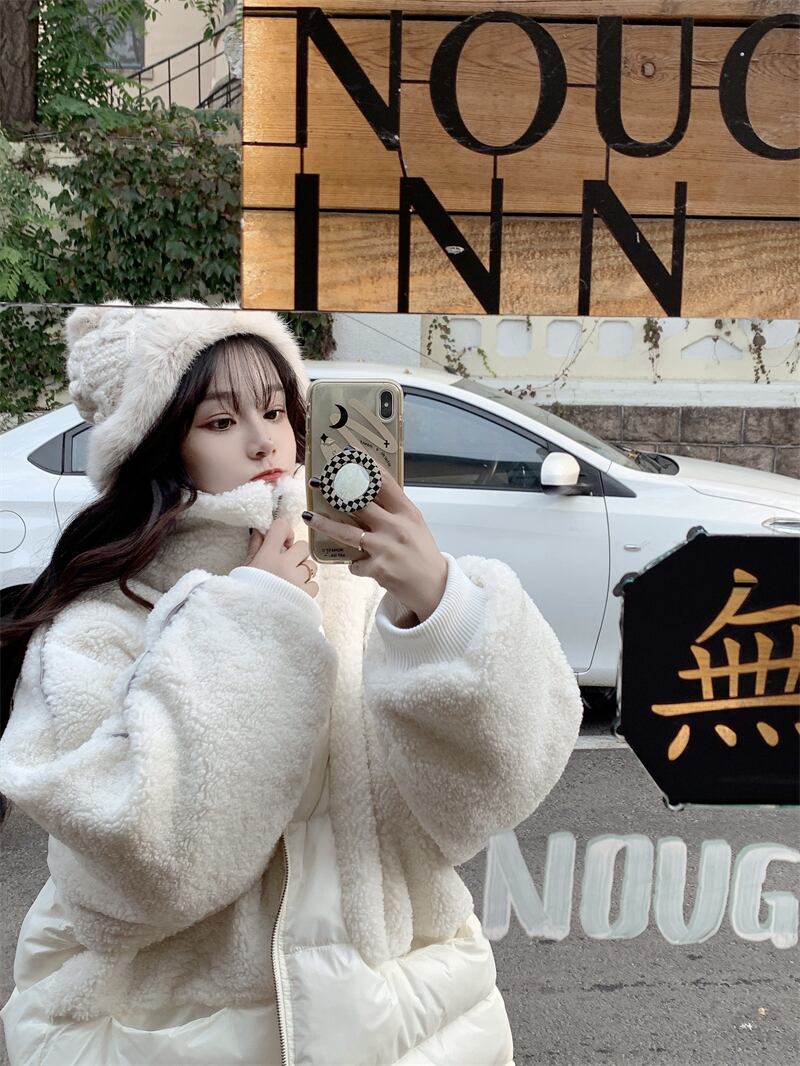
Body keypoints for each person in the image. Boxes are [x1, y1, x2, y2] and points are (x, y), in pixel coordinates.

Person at [0, 301, 583, 1066]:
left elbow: (481, 800)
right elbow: (139, 873)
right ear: (154, 447)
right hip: (175, 1035)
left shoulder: (355, 588)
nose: (264, 440)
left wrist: (441, 610)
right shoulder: (100, 622)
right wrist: (253, 622)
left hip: (397, 1020)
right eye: (219, 421)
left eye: (276, 411)